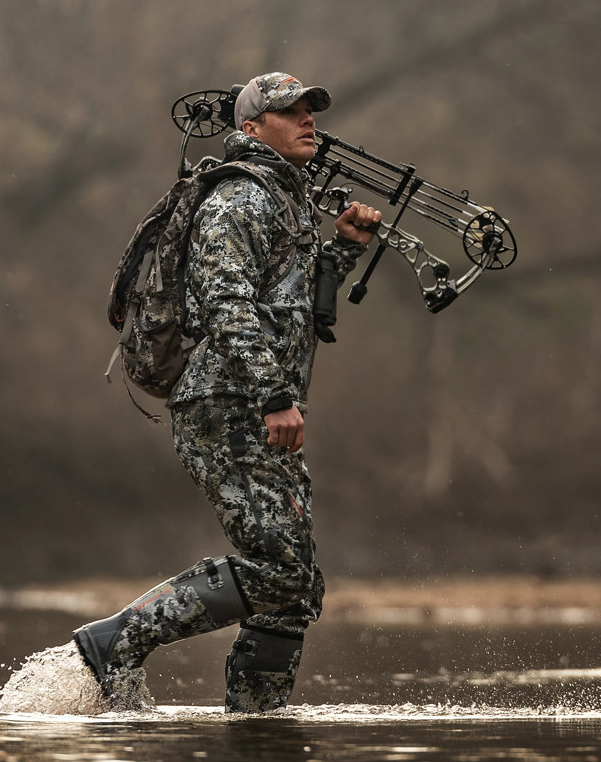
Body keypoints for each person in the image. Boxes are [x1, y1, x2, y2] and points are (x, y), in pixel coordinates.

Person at [72, 72, 381, 713]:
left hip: (254, 402)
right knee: (283, 569)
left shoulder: (287, 200)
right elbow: (227, 303)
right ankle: (116, 640)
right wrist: (273, 396)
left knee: (294, 587)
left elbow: (294, 306)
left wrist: (343, 251)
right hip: (227, 404)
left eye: (310, 110)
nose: (307, 120)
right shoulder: (240, 198)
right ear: (249, 128)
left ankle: (257, 723)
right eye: (288, 111)